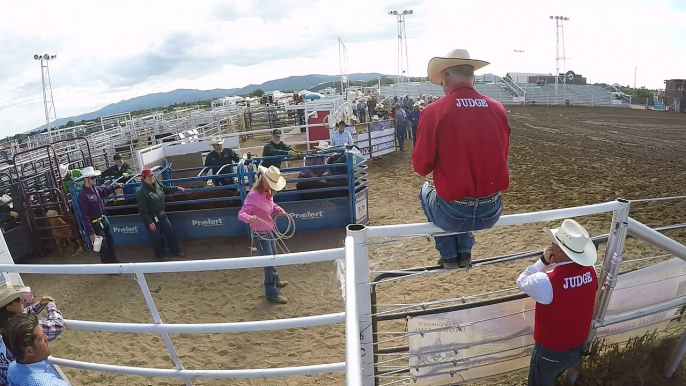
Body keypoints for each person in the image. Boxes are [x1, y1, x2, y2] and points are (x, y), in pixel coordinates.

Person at [413, 49, 510, 269]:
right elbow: (502, 156)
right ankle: (465, 252)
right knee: (464, 193)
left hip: (453, 212)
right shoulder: (498, 109)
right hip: (492, 209)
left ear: (446, 77)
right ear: (472, 77)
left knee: (426, 190)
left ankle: (449, 255)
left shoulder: (433, 112)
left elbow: (421, 166)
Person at [516, 219, 598, 386]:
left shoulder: (547, 281)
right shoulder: (592, 271)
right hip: (577, 347)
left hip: (550, 352)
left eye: (553, 242)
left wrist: (543, 262)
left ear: (559, 251)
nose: (550, 245)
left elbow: (521, 280)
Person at [237, 165, 290, 304]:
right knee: (268, 262)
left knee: (272, 257)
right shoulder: (253, 196)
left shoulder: (268, 193)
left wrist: (278, 209)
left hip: (268, 230)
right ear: (264, 180)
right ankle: (271, 293)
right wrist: (250, 218)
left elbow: (270, 205)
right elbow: (241, 214)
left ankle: (276, 280)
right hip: (260, 234)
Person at [0, 282, 64, 386]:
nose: (23, 300)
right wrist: (51, 305)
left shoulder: (7, 327)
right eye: (19, 299)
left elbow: (22, 314)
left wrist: (39, 305)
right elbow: (56, 326)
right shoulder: (22, 331)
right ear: (10, 308)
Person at [3, 314, 69, 385]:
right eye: (41, 338)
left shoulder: (12, 369)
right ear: (30, 351)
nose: (46, 337)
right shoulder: (52, 383)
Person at [137, 169, 186, 261]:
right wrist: (149, 222)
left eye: (152, 176)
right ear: (144, 178)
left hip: (162, 214)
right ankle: (160, 255)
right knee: (156, 237)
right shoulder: (142, 193)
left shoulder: (157, 183)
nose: (152, 178)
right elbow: (143, 210)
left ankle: (176, 251)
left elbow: (165, 189)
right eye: (149, 176)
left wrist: (176, 188)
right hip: (152, 217)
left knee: (170, 233)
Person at [77, 166, 122, 264]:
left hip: (102, 221)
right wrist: (91, 232)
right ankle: (109, 267)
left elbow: (105, 191)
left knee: (110, 243)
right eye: (92, 178)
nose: (95, 179)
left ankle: (115, 263)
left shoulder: (94, 189)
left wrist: (115, 186)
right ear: (86, 179)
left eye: (95, 177)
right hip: (96, 225)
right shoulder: (83, 196)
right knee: (103, 247)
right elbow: (85, 216)